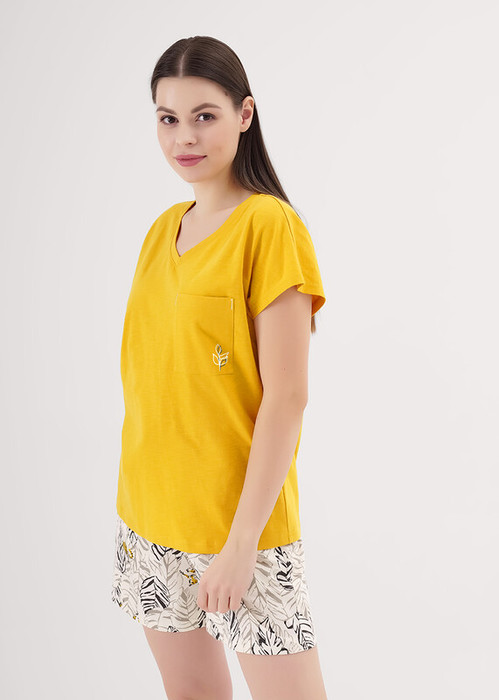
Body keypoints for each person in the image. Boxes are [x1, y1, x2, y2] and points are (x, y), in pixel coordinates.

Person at [111, 35, 329, 700]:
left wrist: (240, 546)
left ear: (244, 114)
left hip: (243, 532)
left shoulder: (269, 226)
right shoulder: (161, 231)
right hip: (151, 516)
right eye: (168, 118)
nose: (184, 136)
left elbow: (287, 398)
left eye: (204, 115)